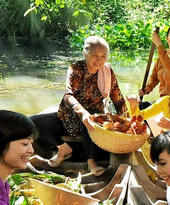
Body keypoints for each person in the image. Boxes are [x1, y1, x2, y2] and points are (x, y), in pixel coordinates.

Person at [30, 36, 127, 176]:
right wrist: (83, 113)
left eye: (103, 56)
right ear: (85, 53)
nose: (99, 60)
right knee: (33, 122)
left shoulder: (107, 73)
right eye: (95, 56)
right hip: (68, 116)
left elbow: (118, 99)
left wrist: (127, 120)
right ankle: (63, 148)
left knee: (91, 118)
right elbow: (69, 95)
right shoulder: (75, 69)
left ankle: (91, 161)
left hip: (93, 120)